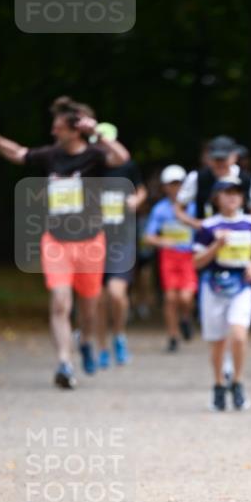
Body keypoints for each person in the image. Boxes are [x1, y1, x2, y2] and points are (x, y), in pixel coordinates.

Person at [0, 97, 130, 388]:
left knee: (88, 309)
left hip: (90, 242)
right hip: (56, 242)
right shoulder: (51, 156)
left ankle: (86, 340)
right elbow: (17, 153)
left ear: (75, 130)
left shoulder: (95, 155)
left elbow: (121, 158)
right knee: (61, 302)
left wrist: (98, 132)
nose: (53, 132)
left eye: (58, 127)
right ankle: (64, 362)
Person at [193, 178, 251, 411]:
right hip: (213, 286)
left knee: (239, 334)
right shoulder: (208, 226)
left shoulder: (250, 223)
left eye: (236, 193)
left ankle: (238, 381)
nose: (232, 197)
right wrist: (216, 246)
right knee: (218, 341)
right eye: (226, 193)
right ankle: (218, 385)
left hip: (241, 286)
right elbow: (196, 261)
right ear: (216, 198)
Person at [96, 130, 147, 367]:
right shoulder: (89, 166)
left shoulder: (128, 167)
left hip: (121, 239)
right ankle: (102, 347)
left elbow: (142, 189)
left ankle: (119, 335)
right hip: (93, 240)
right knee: (98, 298)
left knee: (117, 293)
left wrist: (136, 200)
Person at [143, 165, 197, 352]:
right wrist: (162, 241)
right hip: (168, 258)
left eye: (179, 184)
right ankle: (173, 336)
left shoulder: (194, 207)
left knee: (186, 296)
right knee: (170, 298)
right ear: (165, 187)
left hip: (189, 257)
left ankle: (185, 318)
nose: (176, 188)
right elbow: (148, 236)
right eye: (171, 184)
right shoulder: (160, 210)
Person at [175, 135, 251, 225]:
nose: (220, 163)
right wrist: (199, 225)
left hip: (240, 236)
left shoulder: (248, 179)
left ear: (234, 157)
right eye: (216, 159)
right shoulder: (196, 178)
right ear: (208, 158)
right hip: (209, 237)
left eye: (224, 159)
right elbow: (178, 208)